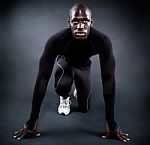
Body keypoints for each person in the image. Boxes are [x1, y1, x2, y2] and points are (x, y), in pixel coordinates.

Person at [13, 3, 130, 142]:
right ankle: (65, 95)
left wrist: (111, 122)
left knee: (84, 108)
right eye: (76, 21)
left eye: (85, 21)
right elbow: (43, 77)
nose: (80, 26)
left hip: (84, 67)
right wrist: (32, 120)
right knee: (63, 83)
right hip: (65, 65)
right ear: (69, 23)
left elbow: (108, 79)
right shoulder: (56, 41)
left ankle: (78, 89)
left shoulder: (102, 41)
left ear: (91, 23)